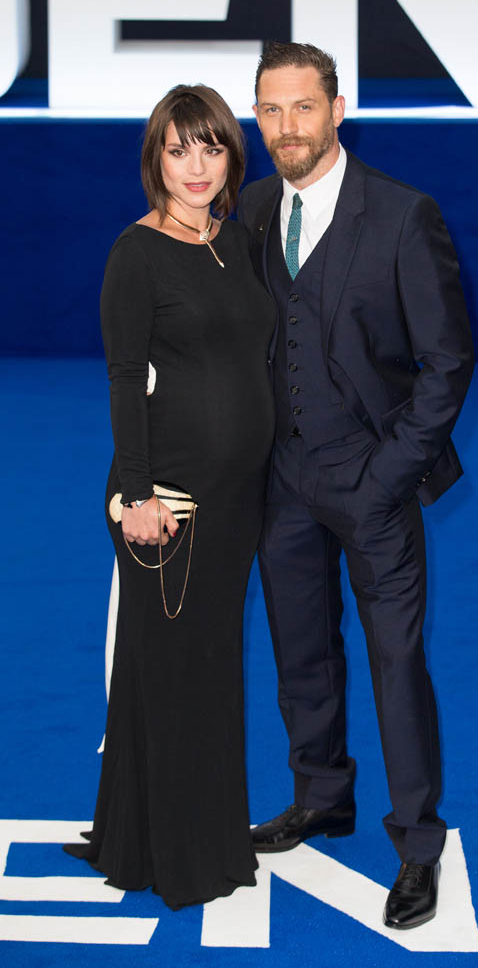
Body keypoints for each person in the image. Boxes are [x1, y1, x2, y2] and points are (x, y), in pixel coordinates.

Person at [238, 42, 474, 929]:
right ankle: (321, 796)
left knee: (395, 662)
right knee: (300, 650)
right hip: (282, 479)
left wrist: (388, 475)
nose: (287, 127)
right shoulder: (253, 208)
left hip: (373, 476)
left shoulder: (405, 215)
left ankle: (417, 843)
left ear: (339, 110)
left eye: (303, 107)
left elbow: (447, 364)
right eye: (271, 110)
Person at [64, 84, 276, 910]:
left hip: (236, 500)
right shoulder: (137, 252)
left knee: (205, 668)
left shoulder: (238, 239)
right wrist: (136, 495)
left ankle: (156, 833)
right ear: (155, 158)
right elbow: (125, 379)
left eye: (211, 147)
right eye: (178, 149)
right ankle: (175, 855)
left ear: (231, 155)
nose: (196, 166)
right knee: (174, 672)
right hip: (169, 501)